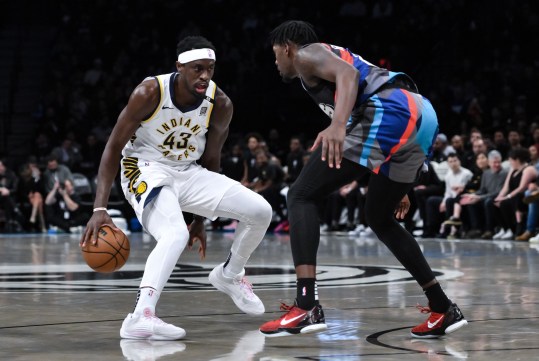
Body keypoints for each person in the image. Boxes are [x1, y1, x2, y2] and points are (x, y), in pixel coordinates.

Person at [259, 20, 467, 339]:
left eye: (275, 54)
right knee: (379, 217)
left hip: (391, 107)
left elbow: (349, 75)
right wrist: (400, 185)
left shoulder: (307, 53)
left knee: (300, 195)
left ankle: (306, 306)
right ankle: (443, 308)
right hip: (421, 115)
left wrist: (339, 125)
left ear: (287, 47)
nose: (276, 62)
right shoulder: (319, 67)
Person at [80, 36, 273, 341]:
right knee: (174, 234)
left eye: (210, 69)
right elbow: (113, 146)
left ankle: (230, 274)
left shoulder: (220, 103)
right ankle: (140, 316)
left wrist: (199, 218)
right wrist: (100, 208)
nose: (205, 76)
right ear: (179, 67)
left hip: (188, 171)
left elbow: (211, 158)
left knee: (261, 211)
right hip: (144, 167)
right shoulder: (149, 92)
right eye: (197, 69)